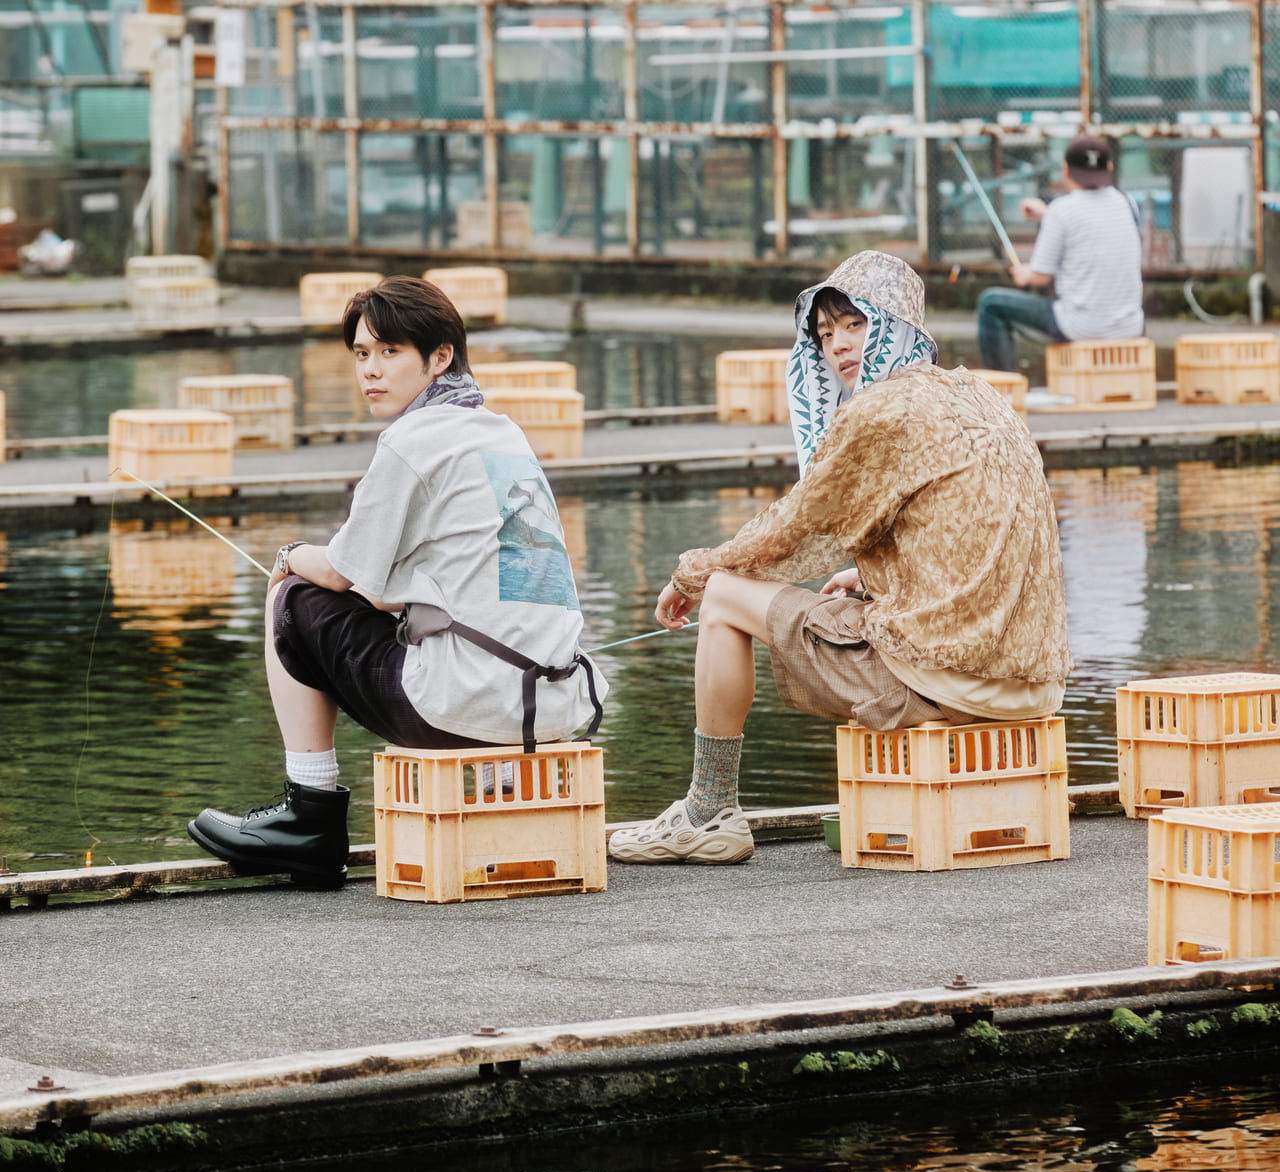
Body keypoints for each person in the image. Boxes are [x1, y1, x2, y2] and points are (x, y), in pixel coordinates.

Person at [607, 250, 1070, 867]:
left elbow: (794, 530)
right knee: (793, 588)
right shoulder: (977, 394)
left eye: (855, 324)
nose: (839, 346)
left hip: (940, 686)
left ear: (896, 323)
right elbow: (968, 527)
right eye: (825, 334)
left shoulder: (882, 409)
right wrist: (877, 573)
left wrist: (693, 573)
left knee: (722, 597)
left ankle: (707, 812)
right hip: (1034, 689)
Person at [187, 277, 607, 887]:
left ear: (439, 358)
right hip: (549, 710)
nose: (371, 371)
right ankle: (494, 801)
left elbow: (335, 572)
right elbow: (385, 589)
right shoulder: (500, 432)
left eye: (391, 353)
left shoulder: (414, 439)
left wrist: (287, 553)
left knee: (292, 597)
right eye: (362, 354)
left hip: (464, 709)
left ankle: (308, 816)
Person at [976, 134, 1143, 374]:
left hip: (1080, 326)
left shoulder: (1061, 211)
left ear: (1066, 170)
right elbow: (1095, 228)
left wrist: (1024, 274)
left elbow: (1040, 277)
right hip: (1129, 326)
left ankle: (1001, 395)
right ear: (1109, 168)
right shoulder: (1127, 203)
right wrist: (1047, 215)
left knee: (990, 304)